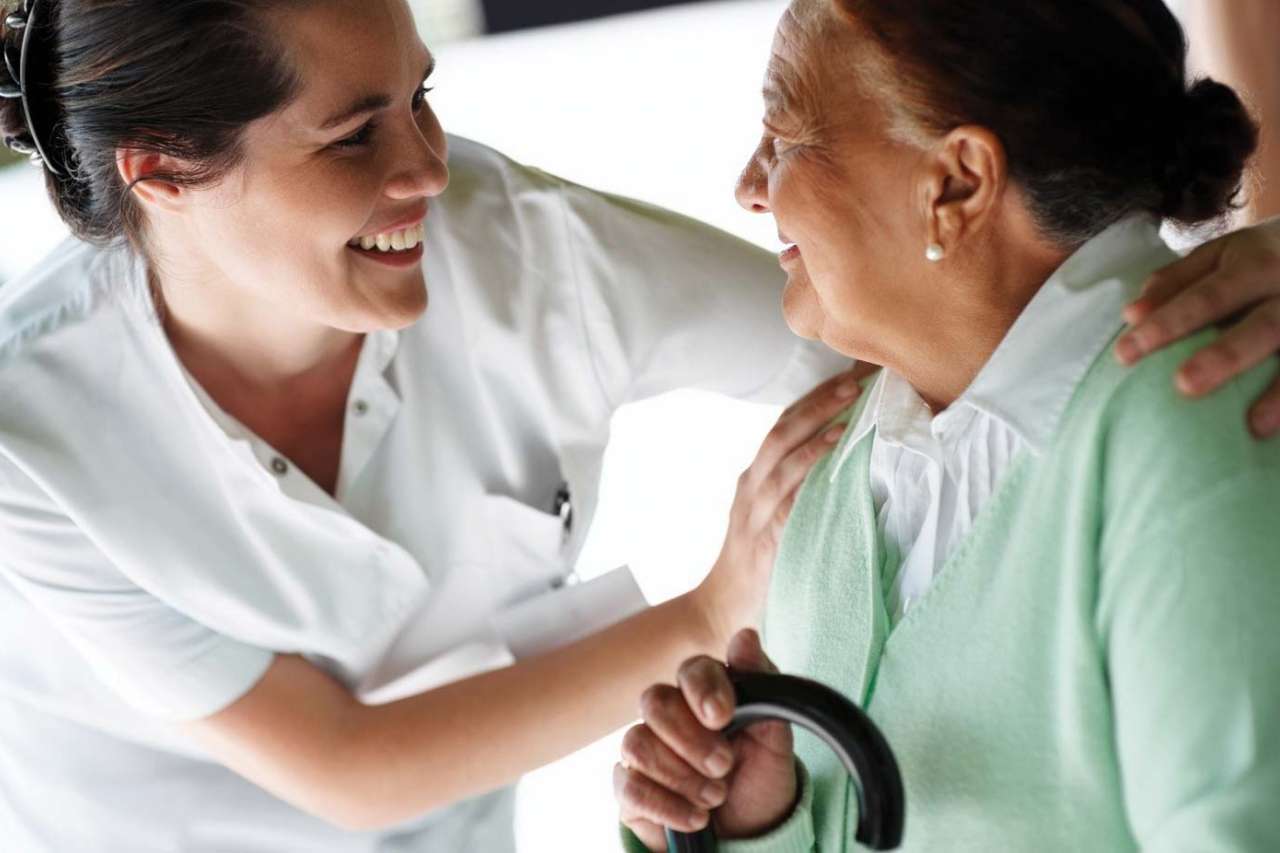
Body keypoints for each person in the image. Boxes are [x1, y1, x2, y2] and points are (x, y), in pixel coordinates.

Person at [0, 0, 1276, 850]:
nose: (431, 168)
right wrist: (749, 798)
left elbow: (902, 313)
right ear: (163, 172)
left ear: (953, 180)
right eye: (352, 134)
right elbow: (351, 766)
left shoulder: (1141, 425)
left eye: (421, 99)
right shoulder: (33, 430)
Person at [616, 1, 1280, 850]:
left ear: (957, 183)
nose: (750, 186)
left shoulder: (1196, 420)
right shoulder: (833, 470)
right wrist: (749, 823)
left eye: (785, 141)